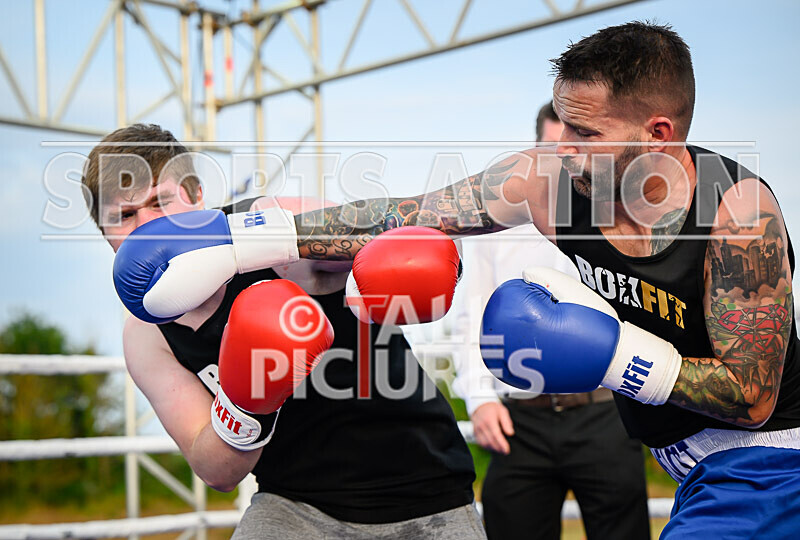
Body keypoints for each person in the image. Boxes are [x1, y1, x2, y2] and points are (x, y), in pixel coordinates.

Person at [109, 22, 800, 537]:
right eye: (560, 124)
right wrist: (241, 240)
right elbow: (408, 215)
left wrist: (614, 355)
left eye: (585, 135)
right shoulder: (548, 180)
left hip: (767, 462)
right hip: (689, 466)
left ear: (656, 136)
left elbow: (752, 397)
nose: (561, 148)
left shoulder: (737, 215)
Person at [82, 124, 486, 539]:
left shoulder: (270, 215)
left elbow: (408, 233)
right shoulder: (146, 337)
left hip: (426, 488)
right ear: (104, 234)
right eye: (126, 216)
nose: (148, 227)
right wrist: (248, 401)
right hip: (293, 505)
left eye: (160, 202)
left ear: (197, 196)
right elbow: (215, 470)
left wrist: (269, 243)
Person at [451, 102, 650, 540]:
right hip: (519, 419)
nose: (567, 157)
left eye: (581, 144)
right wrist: (479, 399)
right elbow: (474, 315)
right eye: (556, 147)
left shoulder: (623, 216)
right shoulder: (498, 222)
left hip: (607, 413)